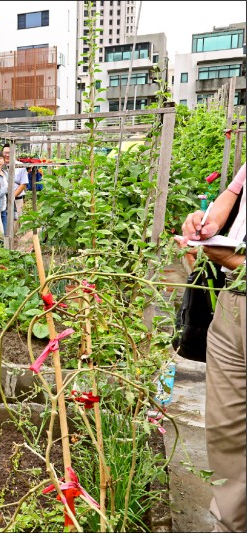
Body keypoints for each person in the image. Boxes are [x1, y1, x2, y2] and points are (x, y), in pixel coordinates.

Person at [179, 163, 246, 533]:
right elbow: (233, 193)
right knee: (226, 433)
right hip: (233, 296)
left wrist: (237, 260)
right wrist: (206, 225)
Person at [3, 143, 30, 228]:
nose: (7, 155)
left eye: (9, 153)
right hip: (1, 199)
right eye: (5, 153)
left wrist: (12, 196)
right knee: (1, 221)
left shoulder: (20, 166)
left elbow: (24, 183)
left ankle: (13, 240)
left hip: (17, 199)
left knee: (15, 223)